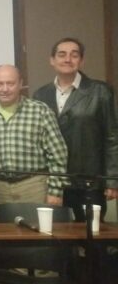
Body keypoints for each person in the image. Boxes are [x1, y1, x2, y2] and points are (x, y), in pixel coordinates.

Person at [33, 38, 118, 221]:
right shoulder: (40, 95)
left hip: (89, 180)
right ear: (52, 60)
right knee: (57, 240)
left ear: (82, 61)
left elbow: (112, 137)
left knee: (91, 238)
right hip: (54, 181)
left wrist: (112, 180)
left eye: (74, 54)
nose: (68, 59)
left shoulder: (100, 91)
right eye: (61, 55)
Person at [0, 65, 68, 207]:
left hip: (34, 186)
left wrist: (55, 192)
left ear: (20, 84)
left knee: (38, 229)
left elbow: (58, 154)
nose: (4, 89)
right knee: (1, 230)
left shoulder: (40, 111)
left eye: (10, 83)